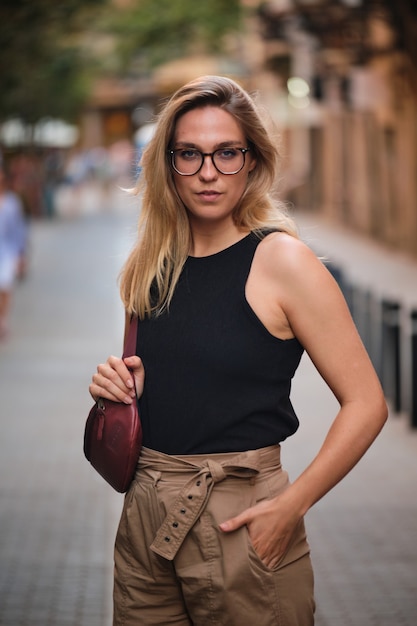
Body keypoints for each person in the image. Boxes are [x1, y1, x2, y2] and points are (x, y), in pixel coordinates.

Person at [89, 75, 388, 626]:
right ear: (167, 164)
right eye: (189, 155)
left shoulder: (282, 261)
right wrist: (119, 387)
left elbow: (367, 403)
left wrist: (291, 507)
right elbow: (191, 373)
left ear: (251, 161)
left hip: (240, 516)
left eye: (227, 153)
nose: (208, 172)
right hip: (143, 515)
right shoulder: (153, 263)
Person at [0, 166, 28, 339]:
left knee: (5, 287)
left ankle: (3, 320)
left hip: (7, 251)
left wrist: (20, 254)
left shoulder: (12, 202)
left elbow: (19, 230)